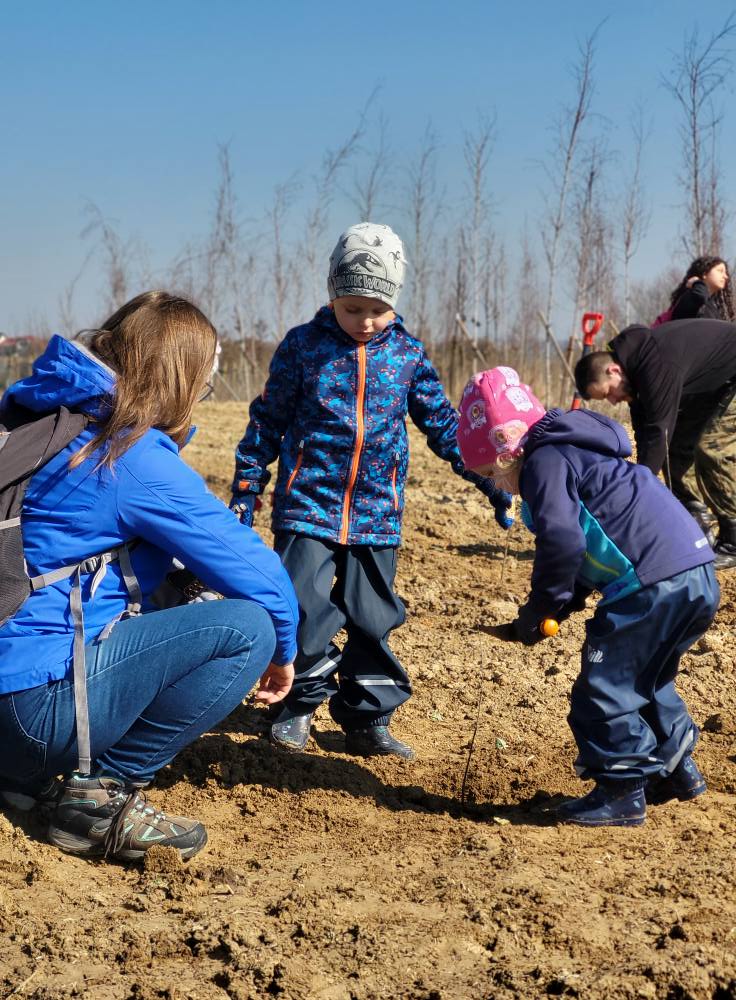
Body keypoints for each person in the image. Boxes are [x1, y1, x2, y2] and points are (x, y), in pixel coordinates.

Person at [0, 291, 299, 862]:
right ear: (179, 380)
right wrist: (284, 651)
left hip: (8, 701)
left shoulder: (45, 421)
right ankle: (100, 796)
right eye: (201, 386)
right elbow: (256, 570)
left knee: (158, 580)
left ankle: (21, 777)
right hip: (38, 710)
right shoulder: (129, 455)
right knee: (249, 628)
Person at [229, 222, 513, 760]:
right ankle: (298, 705)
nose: (365, 321)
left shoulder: (408, 355)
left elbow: (444, 427)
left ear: (395, 300)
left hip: (377, 512)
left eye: (377, 309)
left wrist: (489, 478)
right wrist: (247, 487)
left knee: (373, 616)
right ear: (333, 295)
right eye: (353, 307)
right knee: (304, 610)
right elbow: (266, 420)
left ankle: (367, 717)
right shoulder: (303, 348)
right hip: (307, 505)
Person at [457, 366, 719, 827]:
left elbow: (563, 542)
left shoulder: (543, 461)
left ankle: (620, 790)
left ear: (506, 452)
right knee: (647, 679)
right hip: (694, 573)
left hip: (651, 584)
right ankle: (676, 770)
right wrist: (561, 605)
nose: (496, 487)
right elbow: (591, 547)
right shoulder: (577, 454)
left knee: (604, 687)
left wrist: (540, 606)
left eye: (490, 475)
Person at [574, 319, 736, 569]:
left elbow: (659, 431)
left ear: (614, 371)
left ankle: (734, 541)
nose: (613, 401)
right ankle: (697, 525)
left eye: (608, 393)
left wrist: (640, 496)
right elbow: (645, 434)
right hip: (716, 381)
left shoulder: (656, 364)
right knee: (677, 447)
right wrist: (639, 479)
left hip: (730, 373)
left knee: (710, 449)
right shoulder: (637, 373)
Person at [652, 256, 735, 542]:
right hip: (686, 384)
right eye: (720, 270)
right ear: (701, 274)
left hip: (707, 384)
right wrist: (697, 285)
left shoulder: (713, 306)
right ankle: (696, 517)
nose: (726, 276)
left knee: (699, 448)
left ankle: (709, 520)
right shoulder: (694, 298)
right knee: (681, 448)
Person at [665, 255, 734, 323]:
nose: (726, 276)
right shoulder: (691, 296)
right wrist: (696, 282)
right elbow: (701, 296)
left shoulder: (712, 307)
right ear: (704, 274)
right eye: (720, 271)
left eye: (725, 273)